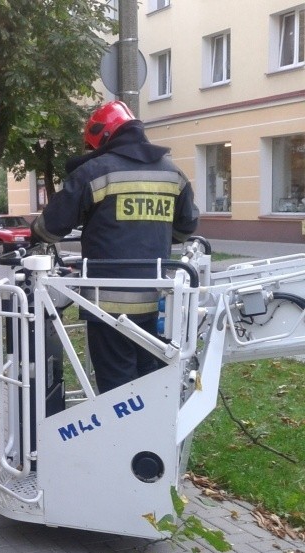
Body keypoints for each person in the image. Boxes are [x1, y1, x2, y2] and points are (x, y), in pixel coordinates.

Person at [30, 100, 199, 393]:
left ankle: (126, 439)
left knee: (117, 389)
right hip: (152, 300)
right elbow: (185, 229)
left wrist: (34, 235)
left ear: (102, 136)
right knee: (148, 377)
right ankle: (151, 437)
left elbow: (51, 227)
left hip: (106, 306)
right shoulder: (173, 174)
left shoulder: (94, 172)